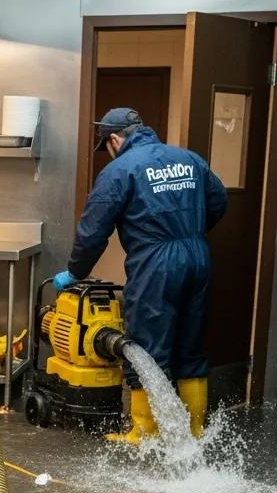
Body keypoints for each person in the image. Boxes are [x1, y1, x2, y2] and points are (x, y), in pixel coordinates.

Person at [52, 107, 228, 443]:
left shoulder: (120, 171)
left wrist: (75, 272)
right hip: (197, 256)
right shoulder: (188, 158)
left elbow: (93, 232)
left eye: (106, 145)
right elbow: (218, 201)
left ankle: (145, 431)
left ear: (115, 139)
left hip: (155, 263)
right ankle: (195, 429)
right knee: (190, 345)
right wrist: (189, 232)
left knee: (147, 345)